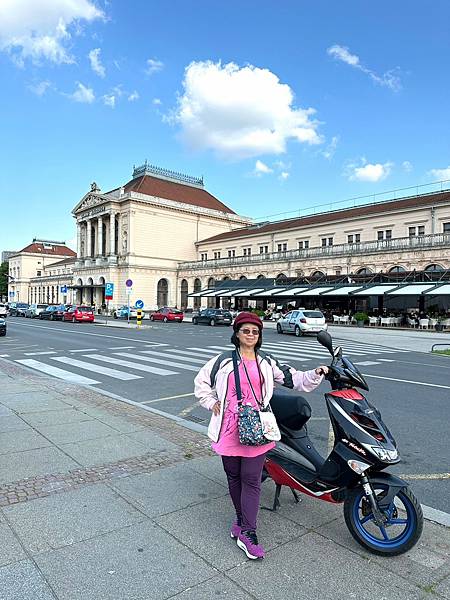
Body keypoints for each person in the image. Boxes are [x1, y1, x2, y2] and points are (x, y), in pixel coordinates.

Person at [194, 311, 328, 560]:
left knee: (252, 479)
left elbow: (294, 379)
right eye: (246, 330)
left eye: (255, 331)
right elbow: (201, 382)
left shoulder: (266, 361)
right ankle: (240, 520)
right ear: (236, 333)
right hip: (229, 427)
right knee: (234, 477)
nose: (251, 335)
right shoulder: (223, 361)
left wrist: (316, 373)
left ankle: (249, 532)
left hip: (256, 426)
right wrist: (210, 401)